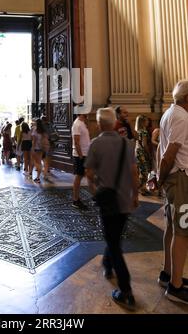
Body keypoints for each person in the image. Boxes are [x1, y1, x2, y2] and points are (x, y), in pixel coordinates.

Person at [85, 108, 139, 311]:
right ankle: (108, 265)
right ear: (116, 123)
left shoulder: (96, 144)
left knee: (114, 243)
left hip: (107, 201)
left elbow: (88, 173)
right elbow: (134, 173)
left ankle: (126, 291)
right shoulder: (127, 144)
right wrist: (135, 195)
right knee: (114, 237)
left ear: (99, 124)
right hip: (124, 200)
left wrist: (95, 190)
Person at [158, 80, 188, 304]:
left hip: (173, 178)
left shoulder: (169, 113)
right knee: (182, 232)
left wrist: (161, 178)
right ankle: (176, 286)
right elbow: (169, 154)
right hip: (180, 179)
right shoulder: (182, 117)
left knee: (171, 226)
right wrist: (159, 179)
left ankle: (167, 273)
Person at [71, 105, 91, 209]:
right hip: (80, 155)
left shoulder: (83, 123)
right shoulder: (77, 124)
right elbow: (76, 141)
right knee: (78, 177)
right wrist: (80, 156)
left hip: (86, 153)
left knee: (90, 175)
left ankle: (95, 196)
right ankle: (75, 200)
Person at [135, 115, 152, 195]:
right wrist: (148, 153)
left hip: (137, 151)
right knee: (145, 170)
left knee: (141, 170)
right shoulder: (144, 131)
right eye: (146, 121)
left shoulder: (138, 131)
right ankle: (141, 188)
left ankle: (142, 187)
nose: (148, 122)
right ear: (143, 122)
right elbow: (144, 144)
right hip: (142, 152)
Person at [32, 118, 50, 183]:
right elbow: (47, 138)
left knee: (38, 163)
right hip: (44, 148)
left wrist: (33, 149)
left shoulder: (35, 130)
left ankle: (38, 178)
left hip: (37, 149)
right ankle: (45, 175)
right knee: (45, 162)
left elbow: (34, 141)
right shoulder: (44, 131)